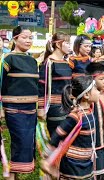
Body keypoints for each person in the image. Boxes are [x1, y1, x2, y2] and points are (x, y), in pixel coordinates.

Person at [41, 76, 100, 179]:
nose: (98, 92)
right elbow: (59, 133)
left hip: (86, 161)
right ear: (86, 95)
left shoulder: (89, 112)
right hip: (72, 164)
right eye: (95, 89)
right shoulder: (76, 116)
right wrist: (48, 155)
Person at [0, 26, 38, 178]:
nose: (28, 40)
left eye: (30, 38)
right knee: (20, 144)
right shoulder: (8, 59)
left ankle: (15, 175)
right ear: (15, 39)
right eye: (25, 37)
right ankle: (10, 175)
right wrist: (0, 108)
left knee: (27, 145)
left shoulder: (32, 61)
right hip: (14, 110)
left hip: (31, 111)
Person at [38, 32, 72, 136]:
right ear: (58, 44)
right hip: (54, 107)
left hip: (67, 105)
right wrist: (41, 108)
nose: (70, 46)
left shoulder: (66, 62)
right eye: (67, 43)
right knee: (57, 139)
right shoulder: (49, 63)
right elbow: (42, 85)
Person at [85, 62, 104, 179]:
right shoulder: (88, 99)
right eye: (101, 79)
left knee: (103, 169)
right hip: (92, 143)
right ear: (91, 79)